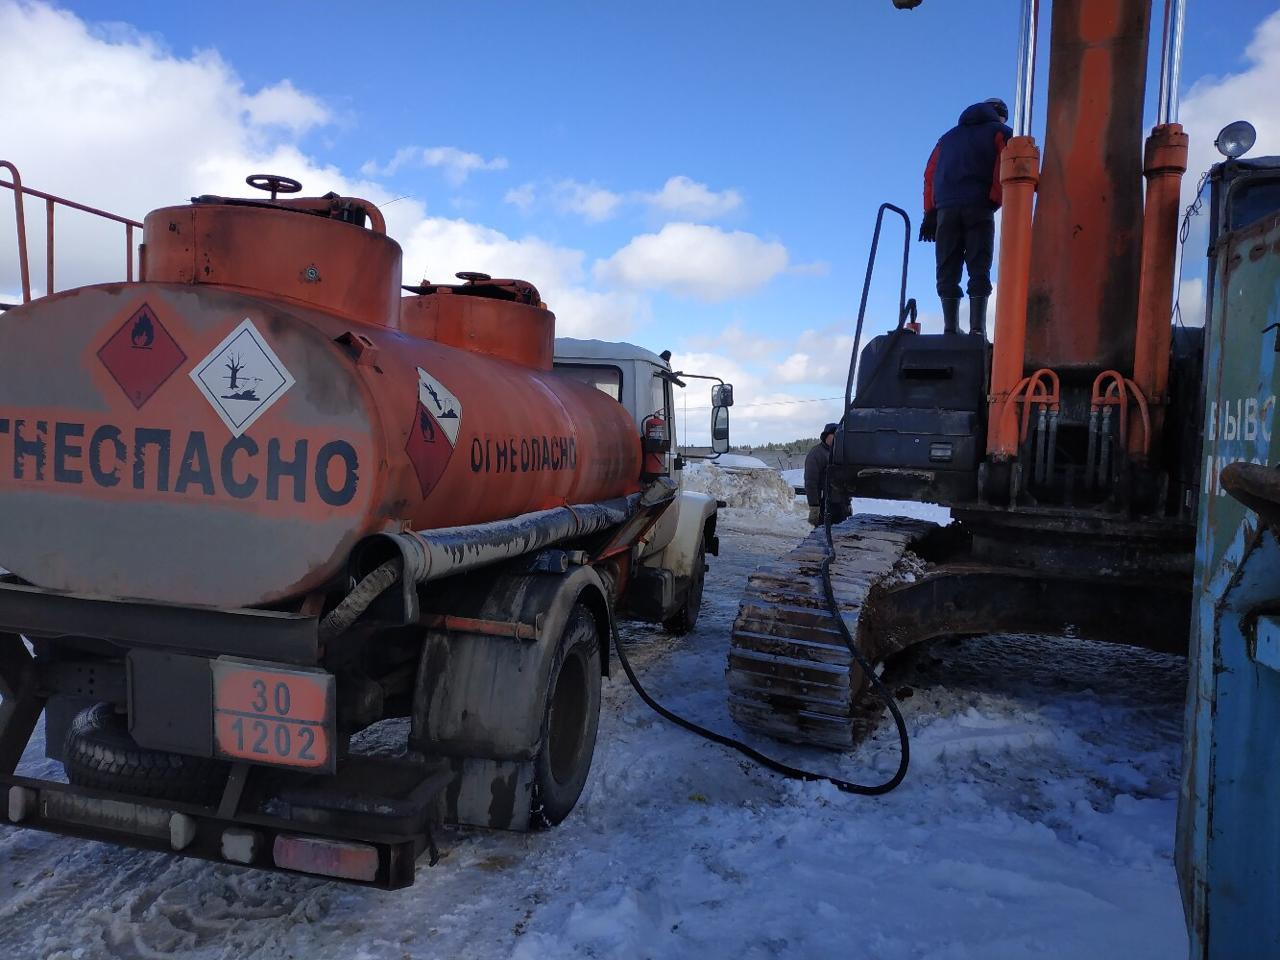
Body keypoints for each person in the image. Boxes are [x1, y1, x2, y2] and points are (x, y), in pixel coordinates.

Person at [919, 98, 1012, 338]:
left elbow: (930, 175)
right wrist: (996, 200)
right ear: (1000, 115)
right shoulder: (1002, 132)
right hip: (979, 206)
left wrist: (930, 212)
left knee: (947, 267)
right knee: (979, 266)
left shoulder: (947, 138)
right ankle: (977, 329)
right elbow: (1008, 164)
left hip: (945, 212)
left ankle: (950, 328)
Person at [804, 423, 851, 527]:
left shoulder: (841, 454)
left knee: (840, 536)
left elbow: (846, 480)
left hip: (840, 505)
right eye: (833, 435)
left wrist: (848, 503)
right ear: (826, 436)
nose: (836, 438)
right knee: (823, 537)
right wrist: (814, 507)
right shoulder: (816, 454)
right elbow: (811, 482)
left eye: (838, 435)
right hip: (824, 505)